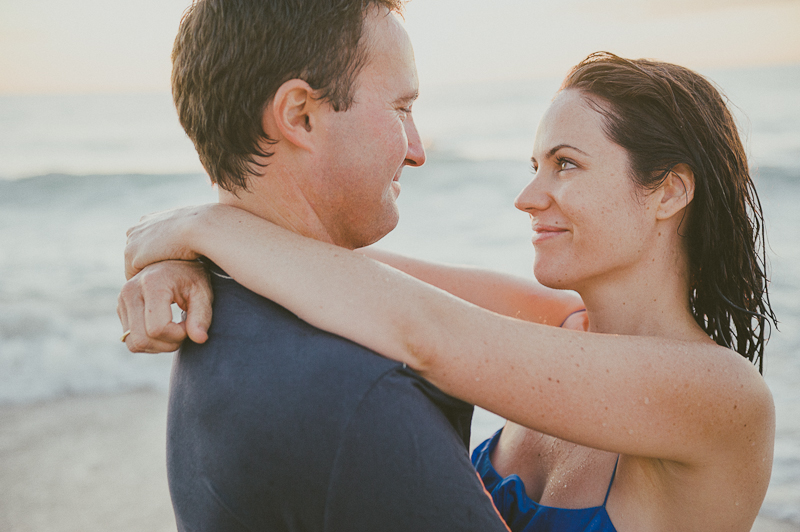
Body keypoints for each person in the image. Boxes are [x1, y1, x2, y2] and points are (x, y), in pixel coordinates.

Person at [120, 52, 778, 531]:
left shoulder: (720, 397)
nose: (527, 198)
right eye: (533, 167)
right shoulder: (554, 324)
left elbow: (421, 332)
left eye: (566, 165)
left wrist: (199, 226)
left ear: (668, 191)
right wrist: (183, 261)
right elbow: (326, 268)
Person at [116, 0, 545, 530]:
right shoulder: (364, 396)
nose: (417, 150)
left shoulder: (230, 312)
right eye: (401, 108)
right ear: (300, 115)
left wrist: (203, 234)